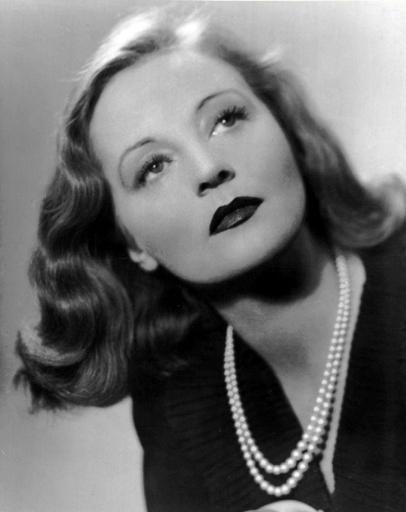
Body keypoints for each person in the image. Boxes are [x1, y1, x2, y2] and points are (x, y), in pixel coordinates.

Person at [14, 6, 406, 512]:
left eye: (225, 119)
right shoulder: (178, 398)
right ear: (133, 245)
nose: (209, 168)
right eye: (153, 166)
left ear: (287, 129)